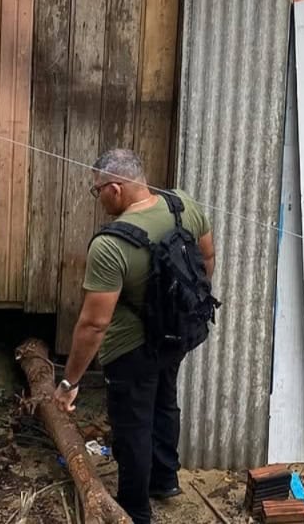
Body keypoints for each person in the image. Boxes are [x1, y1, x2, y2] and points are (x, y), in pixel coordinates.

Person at [53, 149, 215, 524]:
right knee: (165, 403)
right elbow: (207, 257)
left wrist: (69, 380)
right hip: (177, 333)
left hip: (131, 349)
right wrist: (184, 307)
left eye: (98, 192)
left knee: (133, 426)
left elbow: (94, 325)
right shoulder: (183, 204)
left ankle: (135, 511)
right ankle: (165, 479)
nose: (99, 200)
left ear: (114, 188)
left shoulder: (110, 245)